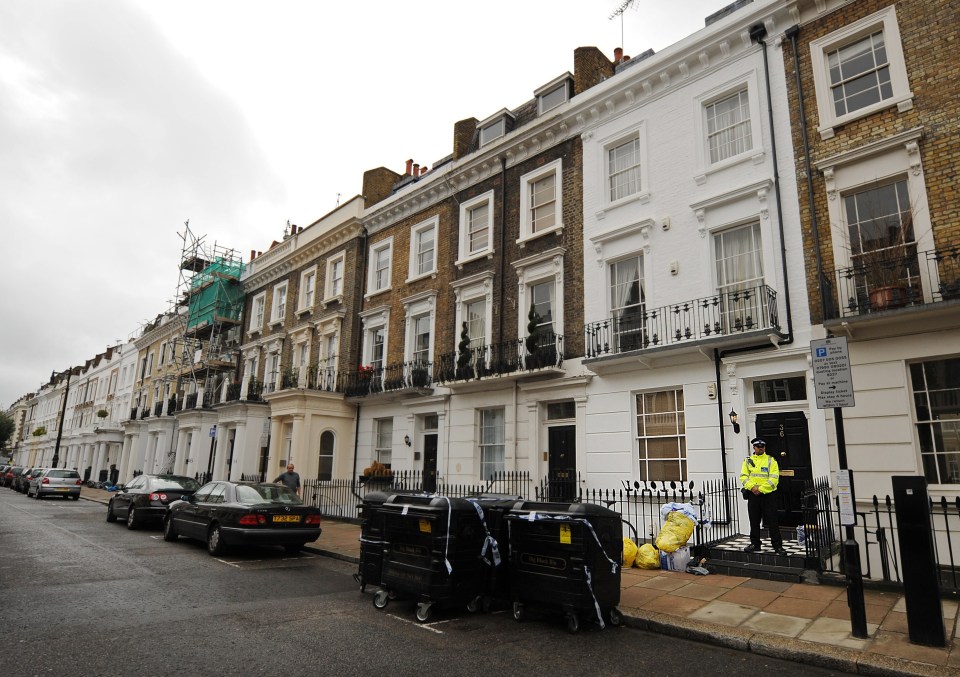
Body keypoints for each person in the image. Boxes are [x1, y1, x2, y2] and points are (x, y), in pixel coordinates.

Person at [740, 437, 786, 556]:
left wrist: (760, 489)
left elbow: (774, 479)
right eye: (758, 447)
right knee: (754, 520)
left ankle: (777, 546)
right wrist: (752, 487)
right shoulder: (747, 461)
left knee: (772, 520)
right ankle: (755, 544)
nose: (761, 448)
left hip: (768, 495)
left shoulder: (771, 460)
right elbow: (743, 476)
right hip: (753, 495)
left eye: (763, 447)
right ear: (754, 448)